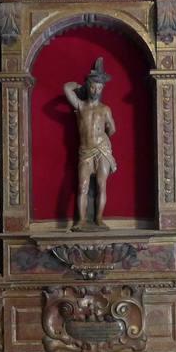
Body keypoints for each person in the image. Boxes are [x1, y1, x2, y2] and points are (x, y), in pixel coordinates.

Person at [64, 58, 117, 231]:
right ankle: (80, 221)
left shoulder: (105, 109)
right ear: (88, 87)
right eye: (93, 87)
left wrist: (103, 139)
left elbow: (112, 129)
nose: (96, 90)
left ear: (103, 89)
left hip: (101, 150)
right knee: (82, 186)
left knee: (102, 185)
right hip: (86, 151)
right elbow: (66, 88)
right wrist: (79, 86)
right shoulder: (80, 106)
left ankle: (99, 219)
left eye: (99, 88)